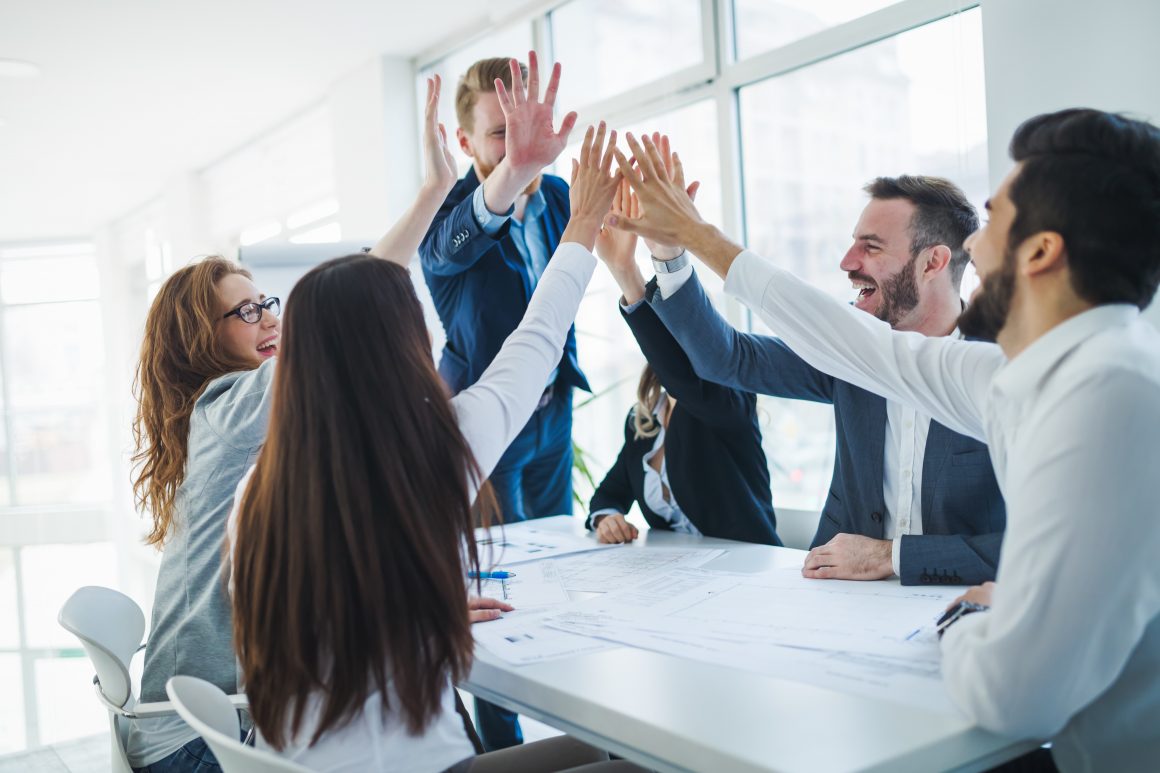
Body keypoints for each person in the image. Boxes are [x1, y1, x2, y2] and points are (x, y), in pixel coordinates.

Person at [607, 110, 1160, 771]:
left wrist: (974, 614)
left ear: (1040, 251)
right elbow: (864, 351)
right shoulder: (1035, 375)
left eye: (993, 220)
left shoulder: (1109, 398)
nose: (974, 250)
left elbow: (1015, 695)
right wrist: (690, 241)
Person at [229, 95, 641, 772]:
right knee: (648, 759)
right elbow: (534, 342)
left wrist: (417, 609)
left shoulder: (260, 487)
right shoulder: (429, 452)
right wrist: (586, 223)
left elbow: (324, 611)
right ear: (398, 345)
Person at [126, 76, 471, 773]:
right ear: (200, 338)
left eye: (268, 302)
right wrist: (433, 194)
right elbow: (353, 303)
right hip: (199, 739)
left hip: (203, 720)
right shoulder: (225, 411)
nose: (273, 319)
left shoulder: (233, 424)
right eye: (247, 311)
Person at [620, 137, 1003, 584]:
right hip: (834, 598)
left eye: (871, 247)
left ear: (933, 262)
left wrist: (893, 556)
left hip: (965, 612)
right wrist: (668, 253)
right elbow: (727, 358)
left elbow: (1032, 547)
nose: (847, 262)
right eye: (852, 243)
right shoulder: (850, 356)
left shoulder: (1000, 368)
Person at [419, 51, 583, 751]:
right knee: (493, 594)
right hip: (484, 434)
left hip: (553, 415)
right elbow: (457, 242)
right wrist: (515, 168)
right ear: (464, 143)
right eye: (499, 133)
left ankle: (576, 721)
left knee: (556, 573)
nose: (519, 145)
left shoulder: (558, 197)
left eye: (528, 126)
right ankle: (505, 755)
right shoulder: (447, 224)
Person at [585, 179, 780, 546]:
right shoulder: (644, 419)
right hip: (680, 579)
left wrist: (627, 272)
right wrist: (607, 517)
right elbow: (607, 494)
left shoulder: (730, 400)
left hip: (748, 576)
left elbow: (685, 382)